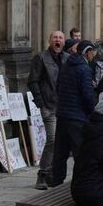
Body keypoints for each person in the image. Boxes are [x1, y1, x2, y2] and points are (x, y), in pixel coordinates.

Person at [50, 39, 97, 187]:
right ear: (88, 52)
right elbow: (87, 96)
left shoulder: (66, 66)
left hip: (62, 114)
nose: (94, 55)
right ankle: (83, 183)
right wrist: (93, 111)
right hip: (77, 116)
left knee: (60, 152)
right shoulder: (84, 69)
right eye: (93, 52)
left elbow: (58, 87)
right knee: (80, 152)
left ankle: (56, 181)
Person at [28, 31, 67, 190]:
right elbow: (33, 81)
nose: (58, 40)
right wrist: (40, 102)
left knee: (61, 141)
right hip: (48, 105)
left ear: (64, 42)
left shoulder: (67, 58)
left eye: (60, 38)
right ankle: (42, 174)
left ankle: (53, 174)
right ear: (50, 41)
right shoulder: (41, 57)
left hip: (64, 106)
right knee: (52, 139)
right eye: (55, 38)